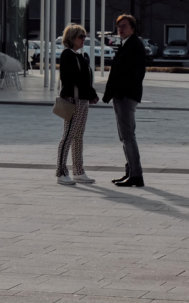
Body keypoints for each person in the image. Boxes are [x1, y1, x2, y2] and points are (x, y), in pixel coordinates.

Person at [101, 14, 148, 188]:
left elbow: (135, 74)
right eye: (118, 26)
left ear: (133, 28)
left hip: (126, 96)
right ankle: (130, 171)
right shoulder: (127, 44)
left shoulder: (134, 45)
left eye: (124, 26)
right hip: (123, 95)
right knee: (125, 136)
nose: (120, 29)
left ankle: (136, 174)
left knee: (128, 136)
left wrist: (119, 91)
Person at [54, 24, 97, 186]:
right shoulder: (68, 55)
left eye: (84, 36)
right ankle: (61, 171)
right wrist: (91, 93)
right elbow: (75, 79)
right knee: (69, 134)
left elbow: (84, 78)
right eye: (80, 36)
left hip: (82, 100)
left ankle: (78, 170)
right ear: (71, 38)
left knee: (78, 135)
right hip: (73, 100)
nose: (83, 39)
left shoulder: (79, 55)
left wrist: (90, 95)